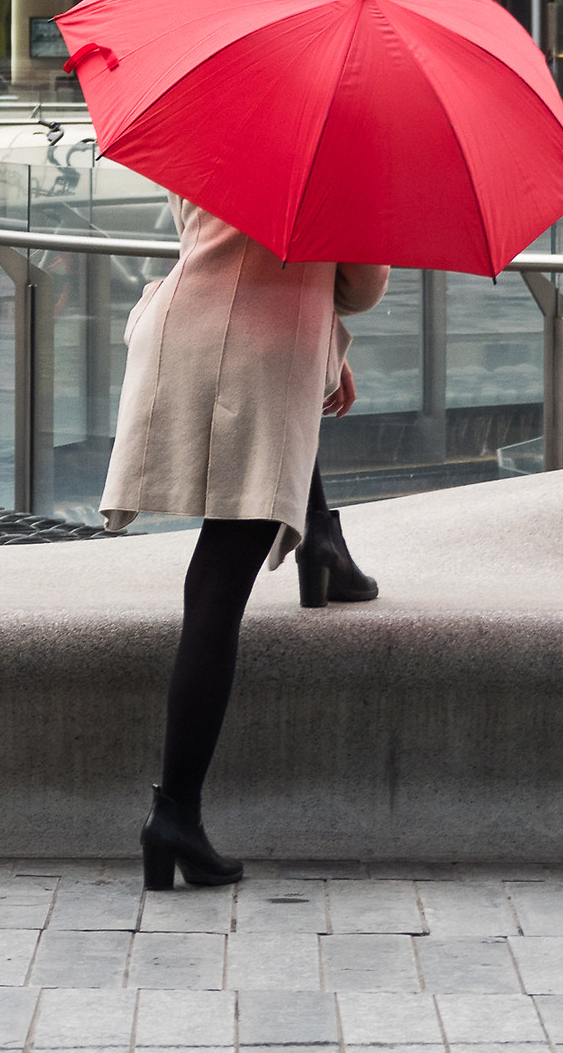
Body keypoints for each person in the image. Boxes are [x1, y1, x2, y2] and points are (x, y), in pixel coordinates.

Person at [101, 197, 387, 891]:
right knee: (221, 580)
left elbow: (201, 235)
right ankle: (175, 813)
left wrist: (325, 348)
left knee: (223, 557)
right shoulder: (342, 165)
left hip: (183, 332)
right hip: (264, 357)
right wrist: (323, 328)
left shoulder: (222, 123)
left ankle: (324, 545)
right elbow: (359, 287)